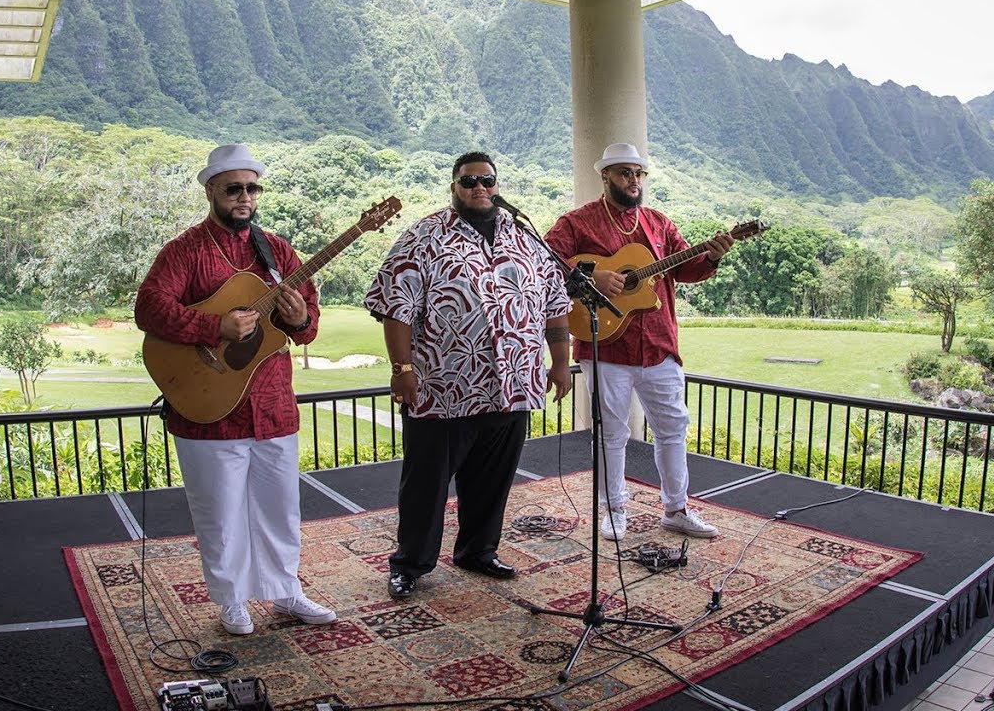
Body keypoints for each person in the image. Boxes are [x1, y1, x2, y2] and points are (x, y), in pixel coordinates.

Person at [135, 143, 336, 635]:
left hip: (272, 405)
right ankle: (232, 600)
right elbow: (149, 308)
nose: (244, 197)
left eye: (251, 189)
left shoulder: (278, 251)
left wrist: (300, 318)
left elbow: (307, 325)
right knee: (220, 514)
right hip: (209, 408)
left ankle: (285, 590)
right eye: (233, 189)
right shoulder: (185, 251)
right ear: (211, 191)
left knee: (280, 508)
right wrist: (215, 327)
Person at [364, 151, 573, 599]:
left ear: (498, 186)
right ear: (454, 186)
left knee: (493, 480)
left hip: (512, 385)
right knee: (426, 484)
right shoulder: (423, 236)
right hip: (443, 387)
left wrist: (560, 362)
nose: (479, 187)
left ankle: (478, 551)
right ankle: (411, 563)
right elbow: (396, 307)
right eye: (469, 181)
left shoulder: (526, 236)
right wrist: (402, 370)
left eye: (487, 180)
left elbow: (556, 304)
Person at [544, 142, 734, 542]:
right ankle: (613, 509)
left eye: (638, 173)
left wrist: (712, 257)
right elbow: (543, 263)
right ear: (606, 176)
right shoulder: (577, 223)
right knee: (612, 433)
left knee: (673, 428)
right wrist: (590, 278)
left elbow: (687, 269)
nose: (634, 180)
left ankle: (676, 509)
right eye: (625, 173)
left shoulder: (658, 223)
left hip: (659, 346)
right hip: (607, 345)